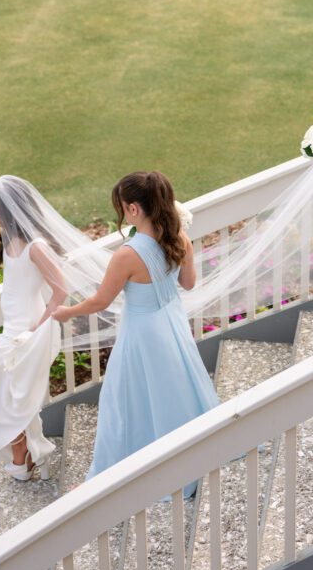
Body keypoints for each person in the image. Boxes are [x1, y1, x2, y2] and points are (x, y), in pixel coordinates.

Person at [53, 171, 219, 490]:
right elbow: (188, 283)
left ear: (133, 209)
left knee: (125, 398)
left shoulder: (127, 255)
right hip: (171, 323)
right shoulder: (178, 238)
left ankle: (126, 468)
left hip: (142, 333)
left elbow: (100, 301)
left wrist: (66, 312)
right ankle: (187, 449)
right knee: (176, 387)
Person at [0, 176, 67, 481]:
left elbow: (61, 291)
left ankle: (23, 454)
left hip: (26, 330)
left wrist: (36, 330)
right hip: (12, 326)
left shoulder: (36, 246)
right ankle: (22, 456)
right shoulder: (11, 241)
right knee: (11, 395)